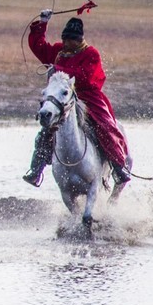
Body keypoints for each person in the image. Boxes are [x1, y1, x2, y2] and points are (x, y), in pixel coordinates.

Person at [23, 10, 130, 187]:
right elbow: (39, 47)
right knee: (45, 131)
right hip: (62, 99)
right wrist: (42, 23)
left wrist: (58, 70)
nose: (64, 43)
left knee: (105, 126)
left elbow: (85, 77)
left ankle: (118, 166)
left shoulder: (91, 54)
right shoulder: (59, 51)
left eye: (68, 40)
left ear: (78, 40)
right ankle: (36, 170)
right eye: (63, 39)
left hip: (87, 96)